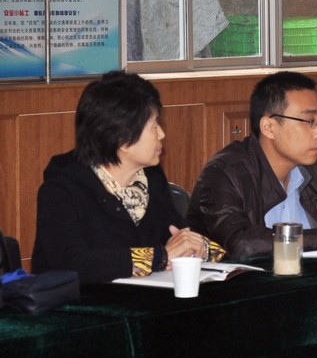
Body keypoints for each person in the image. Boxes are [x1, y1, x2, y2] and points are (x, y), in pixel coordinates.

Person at [33, 72, 222, 284]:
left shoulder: (151, 178)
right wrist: (157, 257)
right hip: (78, 303)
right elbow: (71, 263)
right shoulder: (61, 190)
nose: (161, 134)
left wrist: (200, 248)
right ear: (122, 139)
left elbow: (177, 235)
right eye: (153, 126)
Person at [188, 71, 317, 259]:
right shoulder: (225, 173)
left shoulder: (315, 168)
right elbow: (242, 243)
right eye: (309, 122)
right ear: (269, 127)